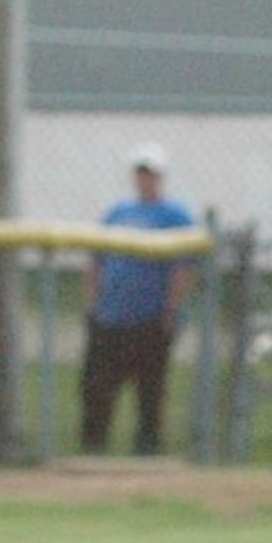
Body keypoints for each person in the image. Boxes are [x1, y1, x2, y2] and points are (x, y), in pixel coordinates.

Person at [80, 143, 198, 456]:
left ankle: (147, 448)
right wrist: (92, 304)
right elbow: (95, 259)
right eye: (141, 173)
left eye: (151, 173)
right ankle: (93, 447)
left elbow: (183, 268)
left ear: (161, 177)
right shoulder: (119, 212)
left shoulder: (175, 214)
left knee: (150, 390)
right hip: (110, 317)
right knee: (98, 387)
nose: (145, 179)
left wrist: (172, 309)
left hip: (150, 318)